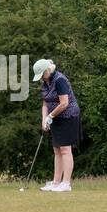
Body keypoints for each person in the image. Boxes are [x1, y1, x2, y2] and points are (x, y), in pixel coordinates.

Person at [32, 58, 79, 192]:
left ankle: (66, 184)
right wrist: (44, 119)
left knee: (65, 149)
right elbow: (45, 103)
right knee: (57, 151)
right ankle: (56, 182)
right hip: (55, 118)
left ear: (47, 70)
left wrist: (50, 116)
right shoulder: (45, 83)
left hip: (68, 116)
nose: (41, 78)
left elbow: (64, 103)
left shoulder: (60, 80)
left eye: (42, 74)